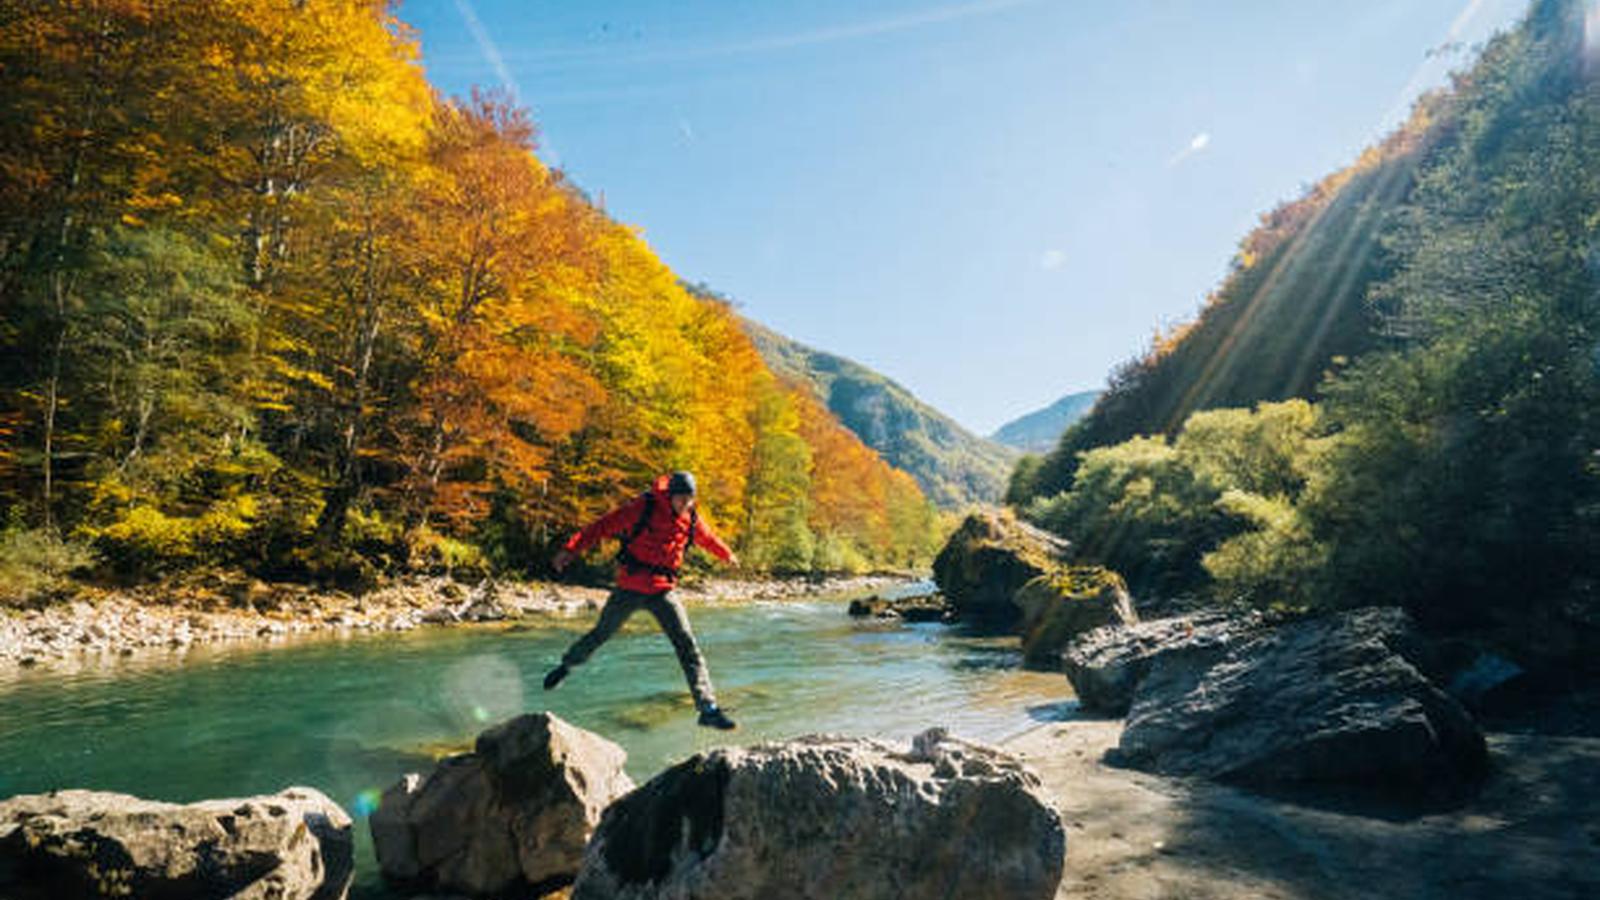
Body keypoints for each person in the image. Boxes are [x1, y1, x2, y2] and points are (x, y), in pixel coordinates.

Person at [545, 471, 739, 730]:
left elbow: (708, 538)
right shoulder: (643, 507)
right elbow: (601, 526)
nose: (685, 504)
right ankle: (567, 665)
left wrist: (727, 555)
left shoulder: (690, 517)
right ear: (669, 496)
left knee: (687, 647)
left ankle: (708, 708)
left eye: (689, 499)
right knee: (601, 633)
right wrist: (570, 549)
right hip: (630, 588)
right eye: (681, 499)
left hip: (663, 592)